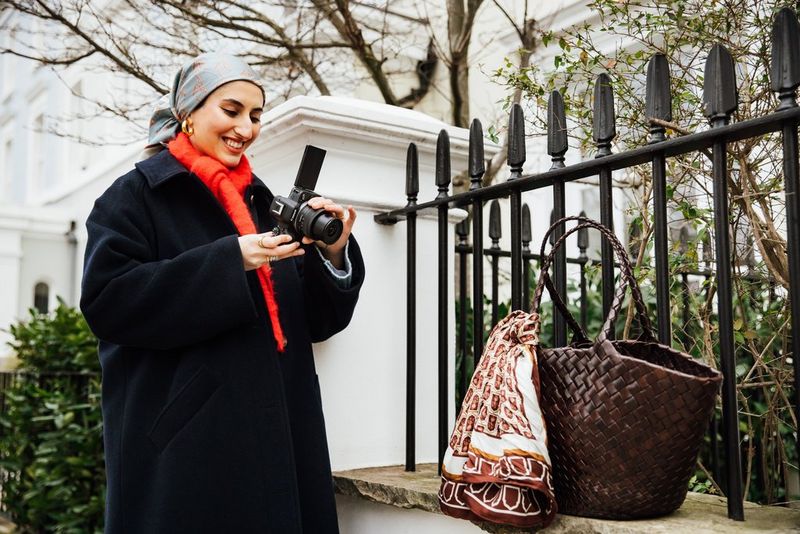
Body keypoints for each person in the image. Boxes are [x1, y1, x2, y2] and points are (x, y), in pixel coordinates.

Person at [80, 52, 364, 533]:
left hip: (281, 435)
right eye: (231, 111)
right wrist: (230, 260)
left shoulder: (264, 201)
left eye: (255, 115)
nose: (247, 128)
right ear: (189, 114)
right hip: (186, 449)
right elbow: (109, 302)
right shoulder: (134, 197)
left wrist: (334, 252)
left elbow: (315, 321)